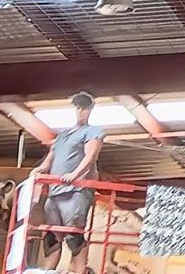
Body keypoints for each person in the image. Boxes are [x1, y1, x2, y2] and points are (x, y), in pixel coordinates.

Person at [33, 93, 107, 274]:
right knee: (52, 232)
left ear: (90, 110)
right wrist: (37, 171)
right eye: (78, 107)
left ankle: (79, 270)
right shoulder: (62, 136)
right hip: (55, 190)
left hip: (76, 190)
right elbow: (49, 159)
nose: (80, 111)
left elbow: (90, 157)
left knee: (73, 231)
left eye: (84, 108)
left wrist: (74, 175)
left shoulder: (93, 131)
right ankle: (48, 269)